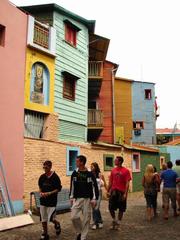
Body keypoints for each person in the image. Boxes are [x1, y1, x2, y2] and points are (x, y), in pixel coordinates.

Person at [70, 155, 99, 240]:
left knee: (86, 219)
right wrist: (71, 197)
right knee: (73, 217)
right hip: (78, 199)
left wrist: (94, 198)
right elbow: (72, 185)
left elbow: (94, 187)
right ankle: (79, 232)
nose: (76, 162)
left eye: (77, 161)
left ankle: (83, 237)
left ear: (82, 162)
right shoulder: (74, 173)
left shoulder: (90, 174)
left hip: (87, 199)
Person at [38, 160, 62, 240]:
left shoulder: (55, 177)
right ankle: (45, 234)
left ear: (50, 167)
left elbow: (58, 189)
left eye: (46, 167)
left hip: (52, 201)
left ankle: (57, 224)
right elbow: (40, 187)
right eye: (44, 167)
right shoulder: (42, 177)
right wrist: (41, 192)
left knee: (51, 218)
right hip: (43, 201)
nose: (44, 168)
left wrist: (49, 193)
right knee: (43, 218)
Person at [107, 156, 131, 230]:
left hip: (121, 192)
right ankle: (114, 220)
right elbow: (110, 181)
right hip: (113, 191)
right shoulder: (113, 170)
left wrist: (125, 194)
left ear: (120, 161)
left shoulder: (126, 171)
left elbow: (127, 183)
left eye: (116, 160)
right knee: (110, 207)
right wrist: (108, 191)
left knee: (121, 209)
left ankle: (119, 223)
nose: (114, 161)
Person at [90, 162, 108, 230]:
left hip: (99, 193)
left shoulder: (100, 175)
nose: (91, 168)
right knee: (94, 208)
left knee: (96, 208)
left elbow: (105, 184)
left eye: (92, 166)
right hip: (92, 193)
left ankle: (95, 222)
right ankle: (99, 222)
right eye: (91, 166)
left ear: (96, 167)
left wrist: (108, 191)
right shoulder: (90, 175)